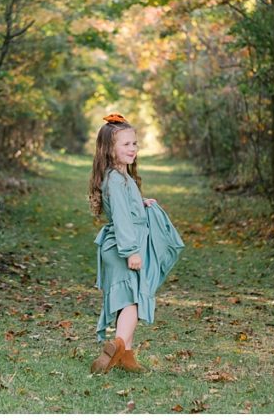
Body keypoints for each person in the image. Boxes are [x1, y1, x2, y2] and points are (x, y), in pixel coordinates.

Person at [88, 113, 184, 374]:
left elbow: (125, 209)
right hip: (123, 246)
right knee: (133, 301)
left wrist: (140, 204)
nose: (133, 149)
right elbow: (120, 218)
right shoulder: (117, 180)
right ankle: (118, 346)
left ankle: (127, 357)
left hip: (118, 244)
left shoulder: (120, 176)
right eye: (126, 144)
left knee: (127, 300)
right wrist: (131, 252)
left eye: (134, 143)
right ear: (109, 149)